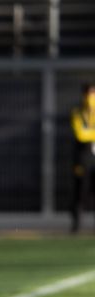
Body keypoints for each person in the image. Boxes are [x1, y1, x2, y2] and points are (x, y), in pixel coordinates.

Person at [70, 83, 95, 233]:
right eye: (89, 94)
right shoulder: (78, 112)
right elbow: (80, 134)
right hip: (83, 158)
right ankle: (76, 223)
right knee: (80, 189)